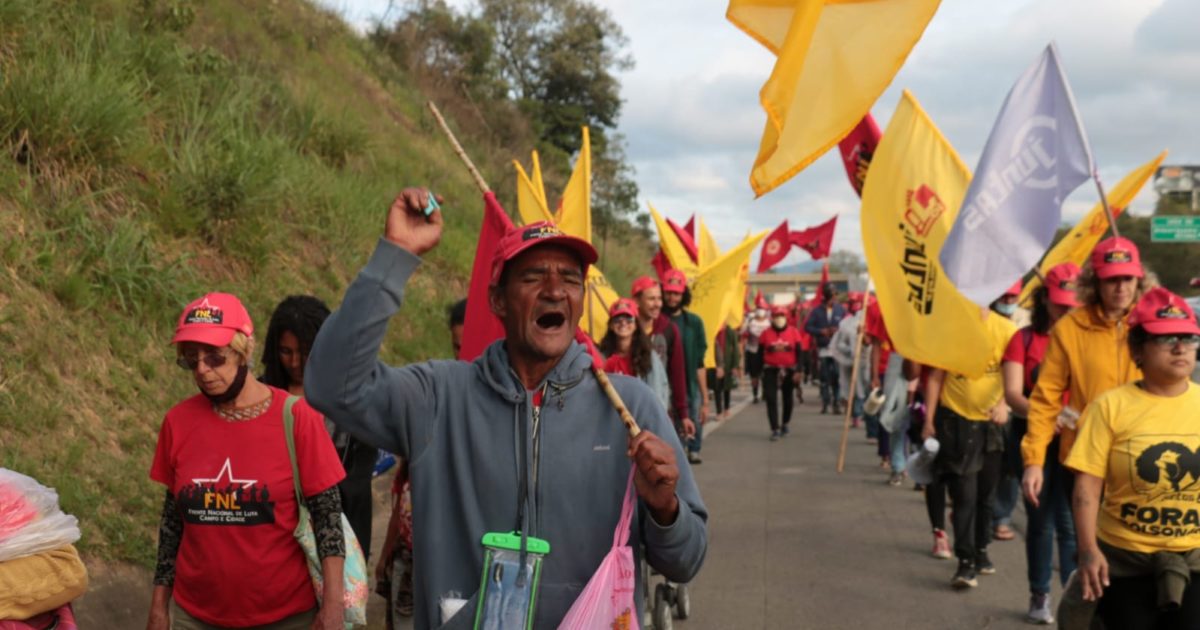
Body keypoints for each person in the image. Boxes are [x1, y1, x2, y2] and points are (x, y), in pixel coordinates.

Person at [304, 191, 708, 629]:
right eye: (534, 276)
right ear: (497, 300)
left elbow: (686, 560)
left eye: (570, 279)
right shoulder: (439, 396)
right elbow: (332, 384)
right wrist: (395, 257)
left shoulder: (630, 408)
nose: (554, 290)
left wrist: (665, 509)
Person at [147, 293, 346, 630]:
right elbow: (172, 525)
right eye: (191, 360)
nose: (202, 371)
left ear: (244, 352)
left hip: (285, 617)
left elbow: (328, 520)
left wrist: (332, 608)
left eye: (215, 358)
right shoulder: (178, 423)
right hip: (194, 616)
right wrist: (158, 606)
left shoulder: (297, 419)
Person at [1065, 287, 1200, 628]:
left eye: (1188, 337)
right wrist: (1087, 551)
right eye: (1166, 339)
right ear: (1138, 349)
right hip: (1124, 564)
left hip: (1195, 561)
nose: (1180, 347)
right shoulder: (1109, 407)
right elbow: (1087, 487)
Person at [1022, 237, 1152, 511]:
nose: (1121, 288)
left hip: (1144, 459)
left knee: (1133, 551)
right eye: (1112, 280)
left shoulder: (1152, 326)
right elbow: (1046, 399)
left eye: (1128, 278)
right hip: (1086, 460)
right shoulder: (1069, 329)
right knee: (1085, 548)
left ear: (1139, 280)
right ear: (1095, 283)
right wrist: (1034, 461)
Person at [260, 295, 377, 562]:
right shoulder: (260, 395)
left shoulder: (351, 400)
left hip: (335, 542)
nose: (294, 363)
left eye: (304, 352)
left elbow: (357, 487)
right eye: (285, 351)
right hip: (274, 538)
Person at [1000, 263, 1081, 624]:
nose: (1067, 311)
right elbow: (1013, 394)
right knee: (1041, 519)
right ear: (1045, 299)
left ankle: (1073, 597)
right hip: (1033, 437)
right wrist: (1049, 415)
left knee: (1071, 521)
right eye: (1060, 304)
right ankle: (1039, 594)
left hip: (1077, 439)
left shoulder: (1086, 338)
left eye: (1074, 304)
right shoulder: (1024, 339)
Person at [921, 299, 1017, 589]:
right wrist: (929, 419)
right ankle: (965, 563)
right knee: (964, 494)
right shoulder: (951, 330)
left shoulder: (1006, 330)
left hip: (992, 424)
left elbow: (1015, 378)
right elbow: (936, 379)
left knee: (986, 495)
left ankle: (981, 550)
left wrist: (1004, 405)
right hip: (956, 423)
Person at [633, 276, 697, 440]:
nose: (657, 304)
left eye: (659, 298)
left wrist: (683, 414)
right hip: (631, 409)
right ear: (637, 300)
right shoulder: (626, 328)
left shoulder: (669, 329)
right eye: (651, 299)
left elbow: (677, 374)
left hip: (660, 409)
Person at [662, 269, 709, 465]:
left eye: (676, 293)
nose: (672, 297)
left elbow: (700, 363)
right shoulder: (657, 322)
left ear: (684, 294)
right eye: (669, 293)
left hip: (689, 383)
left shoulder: (694, 323)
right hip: (664, 385)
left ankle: (694, 448)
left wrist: (705, 398)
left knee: (693, 418)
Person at [600, 298, 672, 413]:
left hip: (642, 420)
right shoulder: (602, 357)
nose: (623, 323)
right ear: (611, 325)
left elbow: (657, 396)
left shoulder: (649, 356)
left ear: (636, 325)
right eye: (618, 319)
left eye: (629, 319)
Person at [760, 306, 805, 441]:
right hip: (770, 369)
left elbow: (800, 353)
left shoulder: (794, 332)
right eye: (777, 316)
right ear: (772, 318)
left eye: (782, 316)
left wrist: (799, 371)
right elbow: (758, 354)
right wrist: (755, 374)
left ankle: (785, 423)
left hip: (789, 370)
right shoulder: (765, 333)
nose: (779, 319)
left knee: (788, 399)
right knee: (771, 399)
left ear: (786, 318)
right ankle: (775, 428)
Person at [806, 285, 846, 414]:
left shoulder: (841, 310)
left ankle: (836, 402)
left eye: (835, 295)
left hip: (837, 349)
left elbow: (847, 326)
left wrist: (838, 330)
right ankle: (825, 402)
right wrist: (820, 331)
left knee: (837, 376)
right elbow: (808, 327)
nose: (834, 297)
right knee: (824, 377)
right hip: (823, 348)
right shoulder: (816, 311)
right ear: (827, 296)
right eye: (832, 295)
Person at [709, 324, 740, 420]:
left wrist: (735, 365)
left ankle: (726, 408)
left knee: (727, 387)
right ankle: (719, 411)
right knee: (717, 388)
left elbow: (736, 349)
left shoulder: (730, 331)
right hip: (716, 362)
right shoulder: (713, 329)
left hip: (728, 363)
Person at [741, 307, 770, 403]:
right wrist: (745, 323)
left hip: (766, 352)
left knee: (765, 374)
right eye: (759, 309)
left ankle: (765, 393)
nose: (761, 312)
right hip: (753, 351)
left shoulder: (769, 323)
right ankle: (755, 395)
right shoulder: (750, 322)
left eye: (762, 309)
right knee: (754, 375)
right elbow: (741, 332)